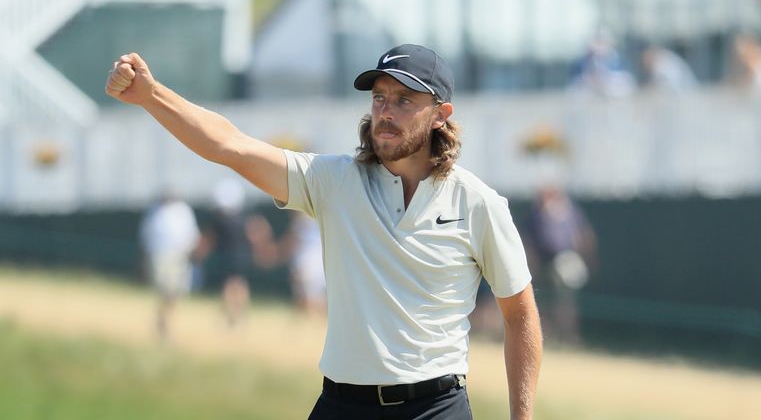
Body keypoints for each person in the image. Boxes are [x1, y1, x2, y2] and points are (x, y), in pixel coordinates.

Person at [106, 43, 542, 419]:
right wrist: (151, 94)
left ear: (439, 115)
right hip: (342, 405)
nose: (385, 113)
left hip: (435, 408)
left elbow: (520, 315)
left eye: (404, 100)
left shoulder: (480, 203)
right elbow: (231, 146)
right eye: (379, 98)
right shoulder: (332, 181)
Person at [525, 185, 597, 346]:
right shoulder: (535, 217)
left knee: (565, 303)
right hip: (543, 268)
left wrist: (587, 259)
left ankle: (568, 336)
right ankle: (546, 336)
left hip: (566, 264)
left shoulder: (571, 212)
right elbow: (530, 244)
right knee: (542, 302)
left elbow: (584, 237)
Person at [139, 192, 200, 340]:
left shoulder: (183, 211)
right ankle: (163, 323)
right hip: (161, 256)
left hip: (180, 257)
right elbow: (147, 235)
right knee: (165, 289)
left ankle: (163, 320)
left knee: (175, 292)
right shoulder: (156, 211)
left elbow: (191, 234)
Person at [196, 177, 254, 327]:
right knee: (240, 284)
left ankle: (231, 317)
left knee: (229, 285)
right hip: (243, 256)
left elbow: (209, 239)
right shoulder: (244, 218)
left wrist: (199, 254)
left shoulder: (219, 220)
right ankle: (239, 316)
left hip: (228, 256)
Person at [248, 211, 327, 317]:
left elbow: (289, 245)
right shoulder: (314, 221)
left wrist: (272, 255)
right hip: (317, 266)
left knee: (310, 303)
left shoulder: (302, 222)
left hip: (308, 267)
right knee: (313, 302)